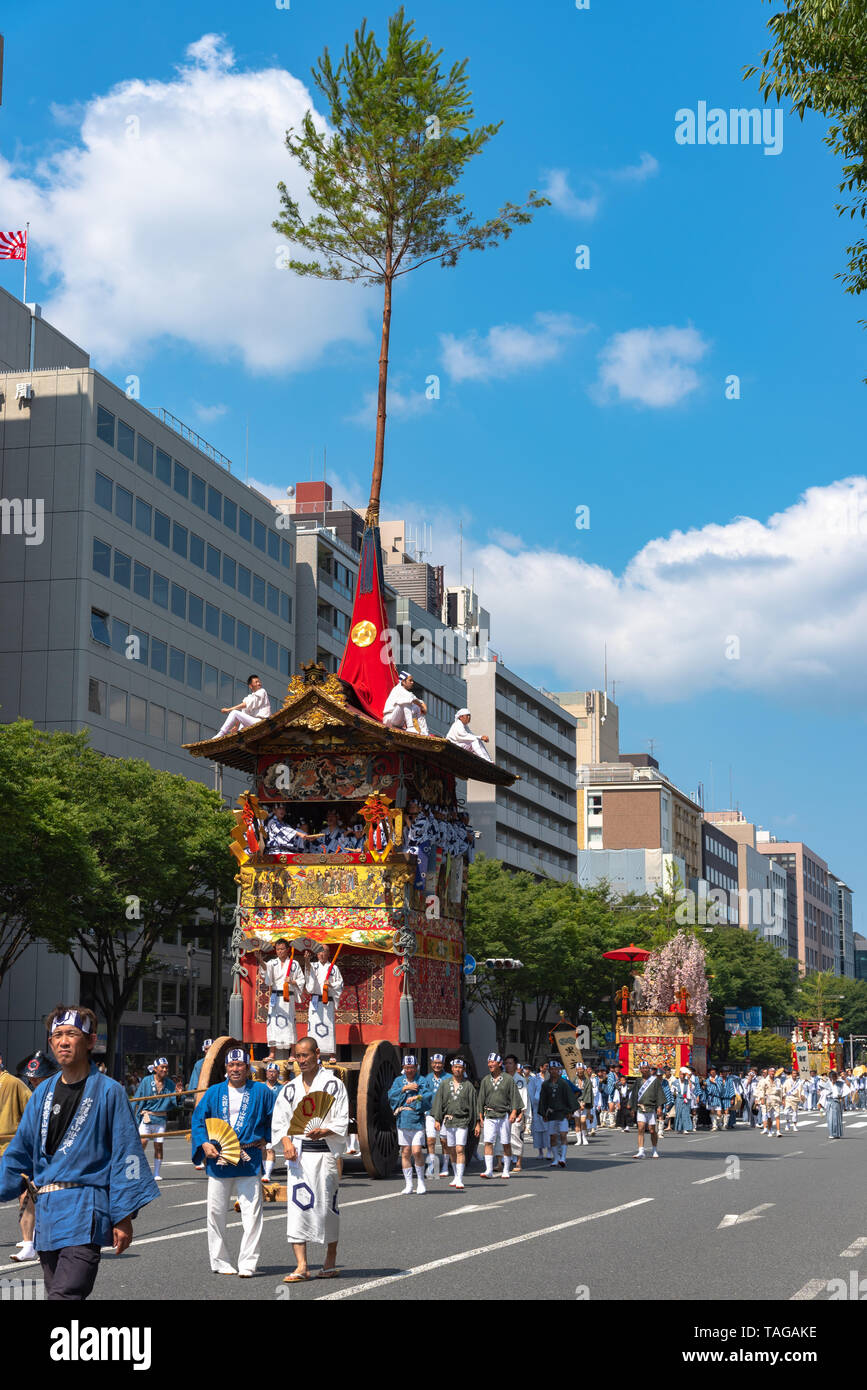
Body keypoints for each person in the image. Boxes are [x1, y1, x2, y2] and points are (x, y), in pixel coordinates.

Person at [0, 1006, 160, 1301]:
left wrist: (123, 1216)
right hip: (48, 1215)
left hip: (86, 1210)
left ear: (89, 1041)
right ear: (50, 1042)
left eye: (71, 1034)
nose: (63, 1041)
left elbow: (127, 1153)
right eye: (57, 1035)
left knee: (65, 1294)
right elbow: (19, 1151)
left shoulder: (110, 1092)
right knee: (57, 1292)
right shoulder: (41, 1094)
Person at [191, 1047, 275, 1277]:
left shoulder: (262, 1091)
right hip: (220, 1159)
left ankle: (248, 1262)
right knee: (216, 1213)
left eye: (240, 1065)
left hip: (249, 1158)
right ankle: (219, 1261)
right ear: (226, 1068)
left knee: (252, 1213)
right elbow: (198, 1120)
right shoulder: (214, 1092)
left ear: (248, 1068)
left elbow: (276, 1116)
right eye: (231, 1065)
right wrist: (204, 1143)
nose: (235, 1069)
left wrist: (267, 1139)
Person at [271, 1036, 349, 1282]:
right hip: (298, 1155)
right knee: (297, 1207)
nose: (301, 1061)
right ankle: (301, 1265)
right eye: (297, 1056)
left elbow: (342, 1119)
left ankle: (329, 1260)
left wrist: (324, 1130)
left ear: (317, 1054)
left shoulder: (333, 1085)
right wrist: (286, 1143)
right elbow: (280, 1123)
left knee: (327, 1208)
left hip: (324, 1152)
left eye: (305, 1055)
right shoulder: (290, 1088)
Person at [0, 1053, 37, 1263]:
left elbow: (33, 1111)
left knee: (24, 1194)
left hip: (12, 1149)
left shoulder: (14, 1083)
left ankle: (30, 1242)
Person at [431, 1057, 477, 1190]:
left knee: (460, 1149)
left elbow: (473, 1106)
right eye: (455, 1067)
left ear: (463, 1070)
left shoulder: (468, 1086)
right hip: (448, 1121)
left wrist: (477, 1123)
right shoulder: (445, 1084)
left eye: (460, 1067)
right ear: (452, 1069)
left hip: (462, 1121)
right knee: (451, 1149)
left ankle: (460, 1178)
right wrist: (437, 1119)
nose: (458, 1069)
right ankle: (456, 1175)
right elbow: (438, 1102)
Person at [133, 1057, 182, 1180]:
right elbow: (138, 1097)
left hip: (160, 1119)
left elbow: (174, 1102)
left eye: (166, 1067)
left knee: (158, 1146)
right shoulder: (146, 1081)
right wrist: (132, 1113)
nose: (165, 1069)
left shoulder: (170, 1084)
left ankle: (156, 1173)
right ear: (155, 1069)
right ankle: (135, 1170)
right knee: (142, 1143)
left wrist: (178, 1095)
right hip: (147, 1117)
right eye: (162, 1067)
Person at [476, 1053, 523, 1179]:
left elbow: (514, 1097)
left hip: (503, 1115)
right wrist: (480, 1116)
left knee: (505, 1143)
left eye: (493, 1062)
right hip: (490, 1115)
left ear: (499, 1064)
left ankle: (506, 1169)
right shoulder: (486, 1080)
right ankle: (489, 1170)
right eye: (489, 1062)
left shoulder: (508, 1079)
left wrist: (514, 1112)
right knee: (488, 1142)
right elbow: (481, 1099)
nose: (490, 1064)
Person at [389, 1055, 430, 1195]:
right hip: (402, 1119)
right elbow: (391, 1095)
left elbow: (428, 1095)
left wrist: (416, 1097)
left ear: (416, 1067)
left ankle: (421, 1182)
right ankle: (408, 1184)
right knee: (405, 1152)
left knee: (417, 1151)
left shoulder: (422, 1080)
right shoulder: (398, 1081)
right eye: (407, 1068)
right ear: (403, 1068)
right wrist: (404, 1088)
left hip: (417, 1119)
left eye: (412, 1067)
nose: (409, 1070)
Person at [264, 939, 305, 1061]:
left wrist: (292, 981)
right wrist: (261, 961)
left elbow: (301, 980)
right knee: (272, 1023)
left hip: (288, 997)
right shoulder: (272, 963)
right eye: (277, 949)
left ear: (287, 950)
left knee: (289, 1023)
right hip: (275, 997)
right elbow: (266, 974)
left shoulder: (294, 964)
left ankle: (292, 1053)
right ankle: (272, 1053)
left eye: (282, 949)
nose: (280, 951)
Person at [303, 944, 344, 1055]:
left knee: (328, 1026)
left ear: (328, 953)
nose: (322, 954)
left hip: (328, 1001)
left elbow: (340, 984)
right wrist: (306, 960)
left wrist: (331, 984)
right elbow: (308, 973)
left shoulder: (334, 968)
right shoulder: (313, 965)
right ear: (317, 954)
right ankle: (314, 1054)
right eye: (320, 951)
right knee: (314, 1027)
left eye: (324, 951)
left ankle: (331, 1053)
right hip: (316, 1000)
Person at [537, 1058, 574, 1169]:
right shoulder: (545, 1085)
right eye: (551, 1069)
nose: (553, 1071)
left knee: (563, 1135)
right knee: (553, 1137)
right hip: (551, 1114)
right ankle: (556, 1158)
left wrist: (570, 1111)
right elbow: (542, 1100)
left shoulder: (564, 1083)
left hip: (562, 1113)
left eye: (555, 1069)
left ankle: (563, 1157)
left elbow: (570, 1098)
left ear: (559, 1070)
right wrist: (543, 1113)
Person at [214, 673, 271, 738]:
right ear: (250, 686)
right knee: (240, 729)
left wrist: (229, 709)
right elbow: (243, 714)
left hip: (261, 722)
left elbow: (245, 705)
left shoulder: (262, 691)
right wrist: (236, 726)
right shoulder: (249, 697)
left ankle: (221, 734)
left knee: (234, 712)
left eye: (259, 682)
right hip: (254, 723)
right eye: (256, 682)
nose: (259, 683)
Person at [629, 1065, 665, 1158]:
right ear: (640, 1070)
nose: (645, 1070)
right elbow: (634, 1094)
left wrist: (659, 1107)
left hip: (651, 1108)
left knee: (652, 1130)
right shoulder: (638, 1081)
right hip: (641, 1108)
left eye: (646, 1068)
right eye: (643, 1068)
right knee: (640, 1128)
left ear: (649, 1069)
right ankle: (641, 1151)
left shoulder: (655, 1081)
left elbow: (659, 1094)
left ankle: (654, 1149)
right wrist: (632, 1107)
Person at [422, 1053, 449, 1177]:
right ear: (431, 1064)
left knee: (444, 1141)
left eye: (439, 1063)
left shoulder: (449, 1078)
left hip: (444, 1114)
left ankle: (445, 1165)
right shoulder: (427, 1078)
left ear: (443, 1064)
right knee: (430, 1140)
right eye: (435, 1063)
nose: (437, 1065)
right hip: (430, 1113)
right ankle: (432, 1165)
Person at [504, 1055, 530, 1172]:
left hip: (517, 1112)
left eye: (510, 1063)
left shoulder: (520, 1080)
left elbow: (524, 1098)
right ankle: (502, 1162)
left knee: (516, 1137)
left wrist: (521, 1114)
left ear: (515, 1065)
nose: (508, 1065)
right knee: (503, 1138)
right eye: (506, 1063)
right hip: (503, 1112)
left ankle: (518, 1162)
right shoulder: (502, 1078)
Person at [262, 1063, 283, 1181]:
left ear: (278, 1074)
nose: (271, 1073)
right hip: (261, 1122)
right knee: (262, 1148)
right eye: (269, 1071)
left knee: (270, 1148)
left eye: (274, 1071)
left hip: (274, 1121)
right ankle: (264, 1172)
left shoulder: (282, 1088)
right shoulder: (260, 1087)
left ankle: (267, 1174)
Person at [528, 1062, 550, 1159]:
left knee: (548, 1129)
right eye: (545, 1066)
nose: (547, 1068)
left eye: (548, 1067)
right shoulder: (534, 1079)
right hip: (537, 1108)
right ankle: (540, 1152)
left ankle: (549, 1151)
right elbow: (531, 1092)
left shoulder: (551, 1078)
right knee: (537, 1130)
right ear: (541, 1068)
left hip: (548, 1108)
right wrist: (532, 1107)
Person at [819, 1070, 850, 1139]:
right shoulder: (826, 1084)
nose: (834, 1078)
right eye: (833, 1076)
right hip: (829, 1102)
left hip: (837, 1102)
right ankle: (832, 1133)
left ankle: (838, 1133)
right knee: (830, 1119)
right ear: (829, 1077)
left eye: (835, 1076)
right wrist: (821, 1106)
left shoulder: (840, 1084)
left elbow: (847, 1089)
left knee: (837, 1118)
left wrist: (841, 1097)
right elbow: (823, 1095)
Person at [673, 1067, 696, 1133]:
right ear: (679, 1075)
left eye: (683, 1075)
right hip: (679, 1099)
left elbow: (692, 1088)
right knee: (679, 1113)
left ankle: (685, 1128)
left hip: (686, 1099)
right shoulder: (675, 1082)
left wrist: (689, 1079)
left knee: (685, 1113)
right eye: (681, 1074)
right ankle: (679, 1128)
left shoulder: (687, 1082)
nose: (682, 1076)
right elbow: (672, 1091)